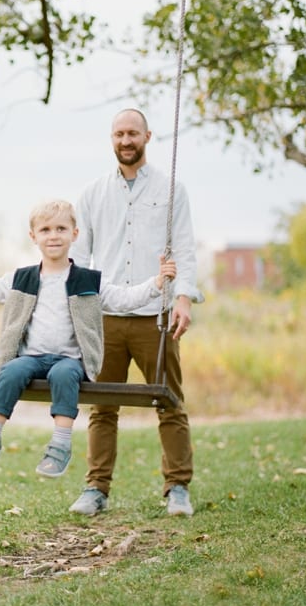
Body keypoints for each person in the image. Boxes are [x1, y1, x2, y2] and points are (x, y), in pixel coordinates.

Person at [0, 199, 176, 478]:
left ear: (74, 234)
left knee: (63, 375)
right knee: (9, 371)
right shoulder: (21, 278)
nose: (53, 235)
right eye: (46, 229)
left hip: (70, 360)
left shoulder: (89, 280)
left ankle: (60, 447)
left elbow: (124, 299)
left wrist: (157, 283)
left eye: (61, 228)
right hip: (30, 358)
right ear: (33, 236)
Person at [68, 108, 204, 518]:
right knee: (101, 407)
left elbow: (184, 248)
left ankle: (177, 487)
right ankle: (96, 489)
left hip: (155, 317)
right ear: (111, 139)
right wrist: (74, 306)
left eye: (133, 133)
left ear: (147, 135)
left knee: (169, 402)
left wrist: (183, 298)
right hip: (105, 317)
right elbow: (77, 257)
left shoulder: (171, 188)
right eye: (119, 134)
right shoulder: (92, 193)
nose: (126, 141)